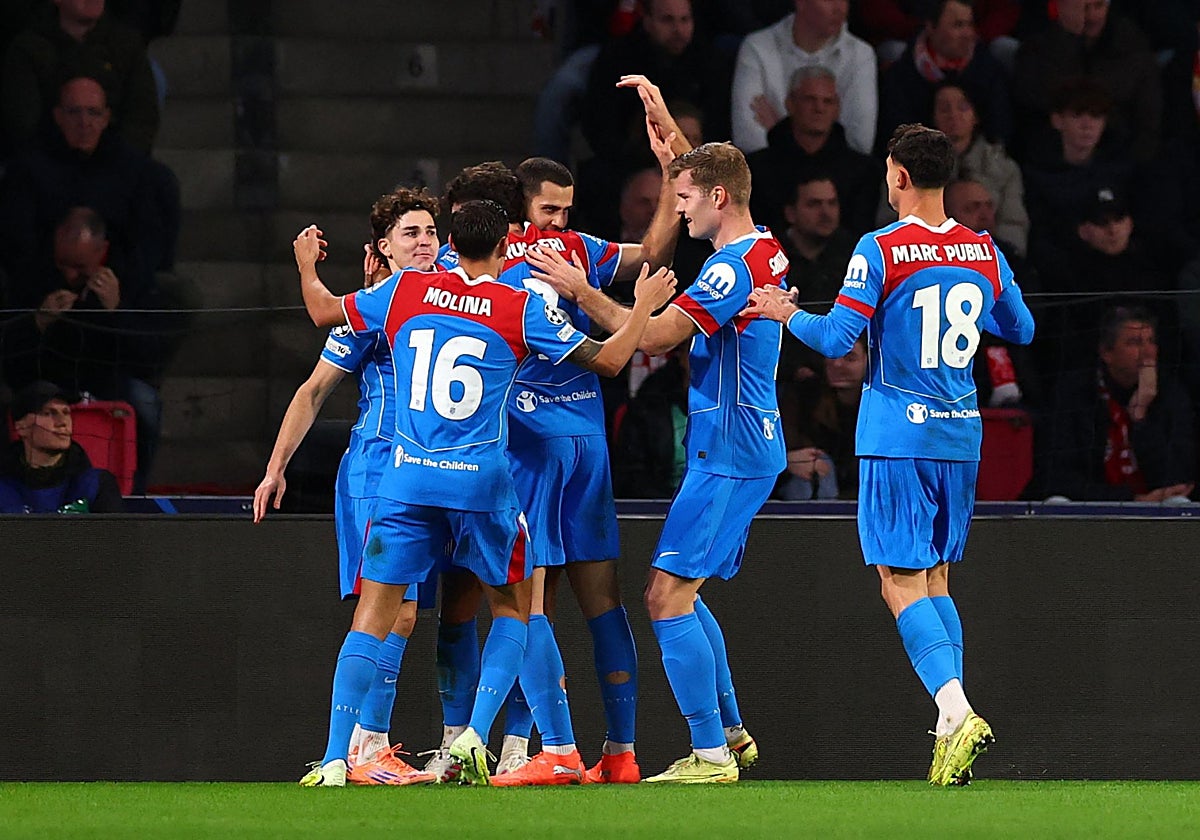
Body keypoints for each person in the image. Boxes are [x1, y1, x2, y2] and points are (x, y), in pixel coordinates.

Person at [292, 200, 676, 788]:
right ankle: (476, 734)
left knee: (372, 618)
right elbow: (613, 358)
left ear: (449, 241)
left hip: (407, 480)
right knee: (513, 608)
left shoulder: (404, 292)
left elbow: (321, 310)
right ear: (505, 249)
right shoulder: (517, 308)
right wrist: (642, 308)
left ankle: (336, 758)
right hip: (481, 485)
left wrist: (305, 266)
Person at [743, 123, 1035, 785]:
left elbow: (838, 335)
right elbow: (1022, 327)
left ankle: (956, 710)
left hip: (897, 435)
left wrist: (783, 310)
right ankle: (945, 734)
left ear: (899, 175)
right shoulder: (985, 250)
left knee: (897, 580)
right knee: (935, 578)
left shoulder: (881, 248)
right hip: (961, 434)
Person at [534, 137, 789, 784]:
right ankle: (729, 732)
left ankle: (709, 756)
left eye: (684, 199)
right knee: (685, 591)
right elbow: (710, 165)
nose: (678, 211)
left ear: (718, 198)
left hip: (729, 448)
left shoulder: (730, 269)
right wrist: (668, 135)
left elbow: (652, 336)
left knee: (664, 597)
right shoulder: (764, 247)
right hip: (741, 443)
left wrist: (581, 290)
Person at [472, 150, 682, 786]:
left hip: (534, 444)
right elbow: (651, 253)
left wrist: (670, 181)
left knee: (536, 603)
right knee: (597, 602)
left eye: (567, 209)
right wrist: (672, 181)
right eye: (548, 209)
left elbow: (647, 249)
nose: (560, 220)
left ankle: (563, 749)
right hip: (581, 442)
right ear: (520, 208)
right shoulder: (563, 256)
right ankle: (615, 751)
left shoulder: (498, 265)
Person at [252, 187, 443, 787]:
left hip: (427, 475)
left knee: (406, 614)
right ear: (382, 249)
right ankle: (359, 748)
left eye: (431, 232)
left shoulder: (449, 300)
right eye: (410, 234)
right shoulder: (375, 308)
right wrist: (275, 467)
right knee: (389, 608)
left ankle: (365, 746)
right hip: (376, 468)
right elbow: (313, 390)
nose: (424, 243)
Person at [1041, 305, 1195, 503]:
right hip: (1093, 508)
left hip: (1154, 509)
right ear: (1106, 352)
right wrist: (1133, 500)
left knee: (1179, 504)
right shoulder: (1075, 393)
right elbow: (1059, 477)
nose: (1148, 353)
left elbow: (1178, 478)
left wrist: (1140, 417)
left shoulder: (1171, 394)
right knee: (1057, 503)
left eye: (1151, 342)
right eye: (1134, 343)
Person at [2, 0, 160, 153]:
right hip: (48, 165)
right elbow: (23, 123)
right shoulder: (28, 48)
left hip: (116, 164)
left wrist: (113, 162)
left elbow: (142, 117)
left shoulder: (127, 44)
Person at [1012, 0, 1161, 162]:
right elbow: (1037, 99)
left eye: (1097, 6)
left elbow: (1148, 117)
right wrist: (1067, 36)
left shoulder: (1131, 44)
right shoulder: (1036, 44)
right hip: (1052, 159)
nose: (1090, 16)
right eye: (1082, 8)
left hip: (1119, 158)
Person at [744, 65, 882, 238]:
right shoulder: (755, 169)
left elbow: (860, 234)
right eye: (810, 99)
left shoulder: (864, 171)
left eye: (828, 101)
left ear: (837, 108)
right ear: (790, 103)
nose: (819, 108)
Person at [731, 0, 877, 155]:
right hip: (769, 176)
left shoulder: (861, 54)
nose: (839, 8)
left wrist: (778, 130)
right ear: (800, 3)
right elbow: (748, 140)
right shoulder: (758, 47)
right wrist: (817, 136)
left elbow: (860, 143)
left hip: (838, 177)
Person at [877, 0, 1013, 151]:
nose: (968, 34)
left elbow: (1000, 136)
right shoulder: (901, 76)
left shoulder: (989, 71)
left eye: (970, 24)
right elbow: (896, 143)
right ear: (931, 27)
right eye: (958, 25)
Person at [0, 380, 124, 513]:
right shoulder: (4, 487)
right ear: (21, 427)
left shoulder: (97, 484)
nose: (62, 422)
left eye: (66, 413)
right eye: (48, 413)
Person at [776, 335, 866, 500]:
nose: (836, 363)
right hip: (802, 483)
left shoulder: (880, 408)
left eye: (850, 358)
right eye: (831, 355)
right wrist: (787, 461)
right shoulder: (804, 395)